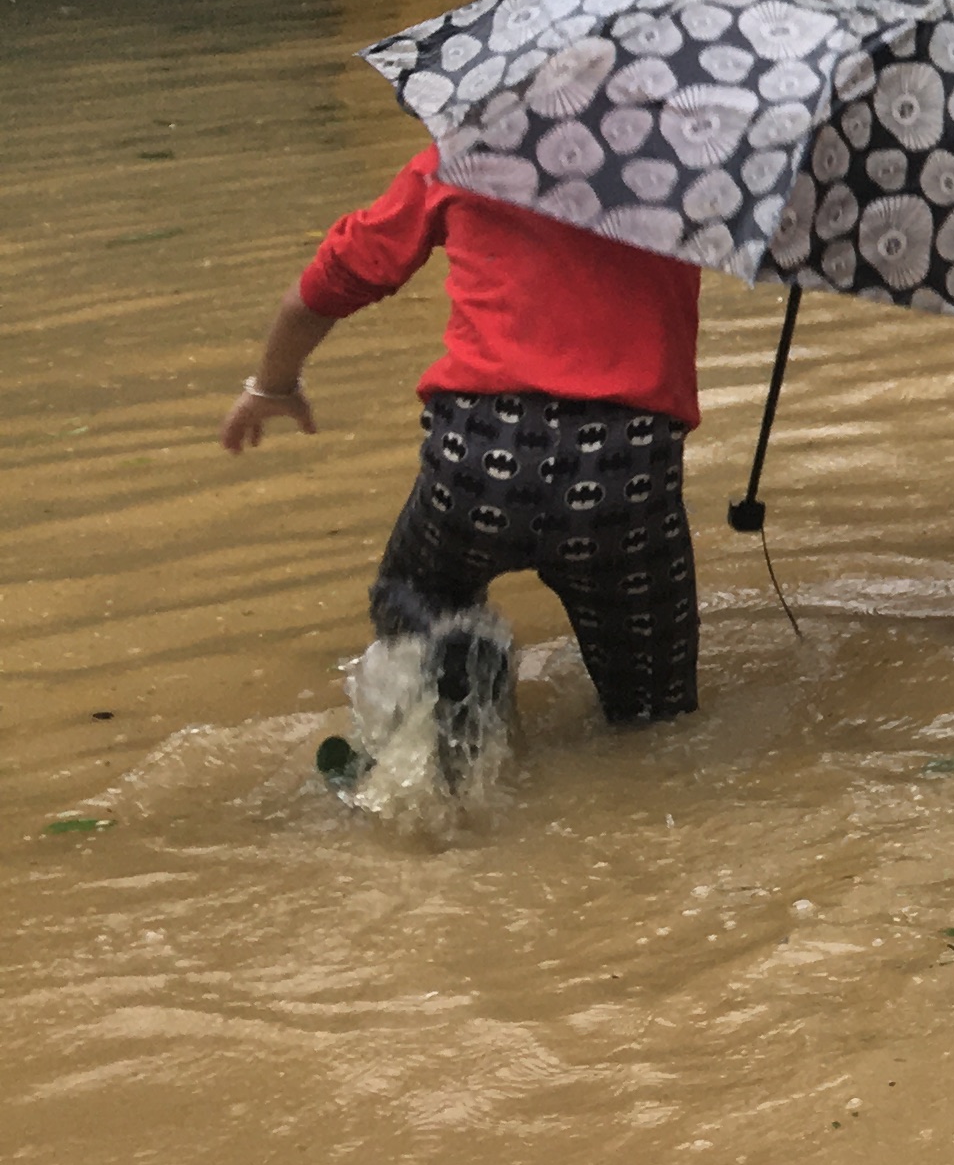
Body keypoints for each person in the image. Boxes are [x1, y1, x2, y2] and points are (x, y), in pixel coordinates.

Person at [223, 148, 705, 770]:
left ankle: (453, 665)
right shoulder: (690, 161)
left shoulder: (465, 153)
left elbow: (331, 280)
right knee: (656, 715)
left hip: (480, 452)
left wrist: (273, 384)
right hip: (623, 468)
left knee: (411, 590)